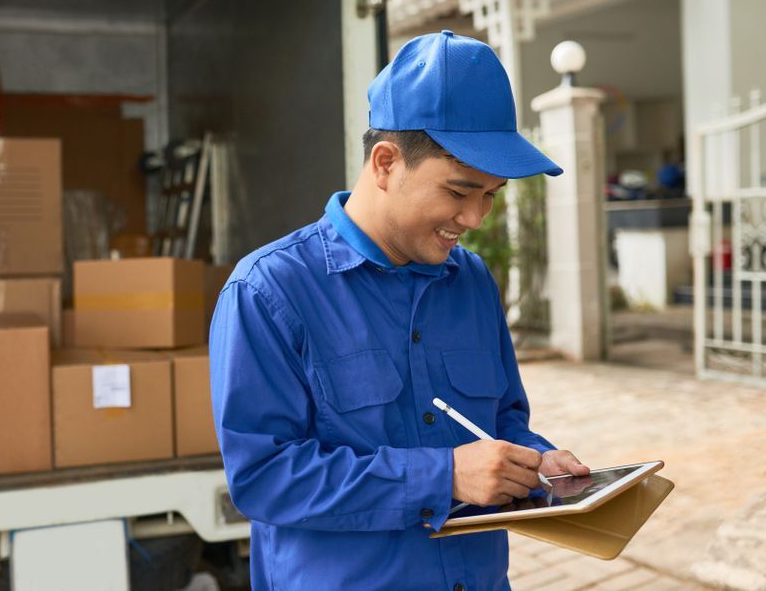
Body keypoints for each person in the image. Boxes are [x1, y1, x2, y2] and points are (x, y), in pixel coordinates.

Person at [209, 30, 590, 590]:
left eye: (492, 194)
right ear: (385, 164)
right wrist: (443, 476)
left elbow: (503, 418)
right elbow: (265, 478)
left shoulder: (473, 282)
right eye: (460, 192)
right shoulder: (269, 292)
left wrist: (536, 461)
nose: (476, 218)